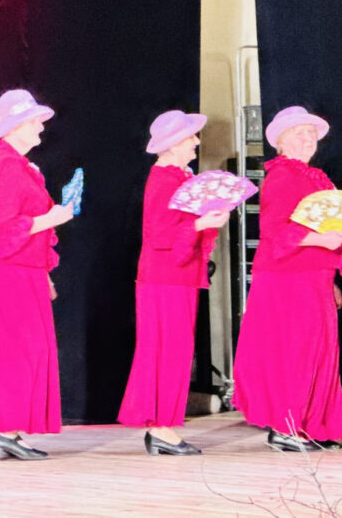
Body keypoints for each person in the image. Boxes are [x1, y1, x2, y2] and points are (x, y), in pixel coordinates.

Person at [233, 106, 342, 451]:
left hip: (313, 277)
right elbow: (274, 230)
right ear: (282, 141)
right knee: (294, 351)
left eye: (311, 133)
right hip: (287, 278)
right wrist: (321, 239)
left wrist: (330, 278)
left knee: (317, 352)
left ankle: (307, 427)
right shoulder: (283, 175)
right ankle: (285, 428)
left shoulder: (314, 177)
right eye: (299, 133)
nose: (307, 139)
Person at [117, 110, 227, 455]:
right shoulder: (164, 179)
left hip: (177, 277)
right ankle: (160, 427)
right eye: (190, 137)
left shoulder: (179, 178)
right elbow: (160, 234)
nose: (196, 141)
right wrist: (200, 224)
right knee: (165, 350)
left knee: (175, 351)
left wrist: (207, 220)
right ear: (173, 143)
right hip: (164, 279)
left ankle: (162, 427)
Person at [0, 89, 74, 460]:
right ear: (15, 126)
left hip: (22, 268)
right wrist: (52, 217)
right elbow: (5, 228)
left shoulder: (15, 163)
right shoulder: (4, 164)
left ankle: (3, 430)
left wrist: (43, 273)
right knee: (16, 349)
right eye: (34, 122)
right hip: (7, 270)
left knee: (27, 348)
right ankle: (4, 430)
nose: (40, 128)